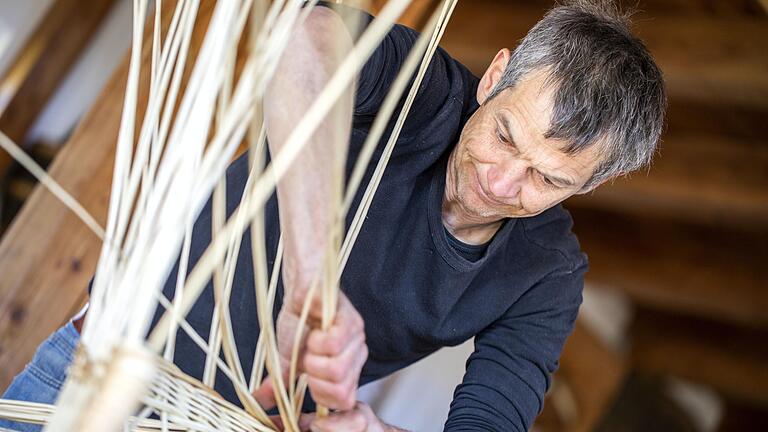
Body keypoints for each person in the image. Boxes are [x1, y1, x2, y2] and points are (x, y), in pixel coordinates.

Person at [0, 1, 665, 431]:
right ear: (494, 79)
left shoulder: (547, 275)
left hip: (237, 425)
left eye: (547, 180)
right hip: (105, 361)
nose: (499, 182)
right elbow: (304, 39)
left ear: (589, 184)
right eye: (505, 136)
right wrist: (311, 282)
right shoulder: (423, 92)